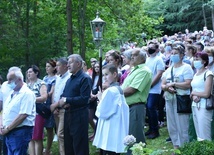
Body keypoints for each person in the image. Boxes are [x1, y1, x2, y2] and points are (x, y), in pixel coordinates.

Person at [57, 54, 92, 155]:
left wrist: (67, 100)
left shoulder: (85, 78)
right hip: (68, 115)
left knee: (79, 145)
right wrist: (63, 104)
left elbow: (85, 99)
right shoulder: (69, 80)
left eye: (70, 62)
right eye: (67, 62)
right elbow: (63, 96)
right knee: (69, 145)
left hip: (80, 116)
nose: (68, 65)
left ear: (78, 63)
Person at [161, 44, 194, 149]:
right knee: (172, 125)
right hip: (170, 99)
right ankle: (176, 147)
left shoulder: (186, 68)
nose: (173, 55)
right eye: (172, 53)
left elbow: (188, 84)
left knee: (183, 125)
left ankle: (185, 147)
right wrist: (167, 88)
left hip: (182, 100)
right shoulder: (169, 69)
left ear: (181, 55)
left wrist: (174, 84)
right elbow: (163, 84)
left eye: (176, 54)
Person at [93, 64, 129, 155]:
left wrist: (100, 99)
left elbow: (102, 112)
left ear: (114, 74)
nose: (104, 77)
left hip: (110, 128)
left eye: (106, 74)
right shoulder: (118, 89)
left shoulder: (111, 91)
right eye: (103, 75)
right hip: (115, 126)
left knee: (108, 150)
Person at [121, 48, 152, 150]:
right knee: (129, 136)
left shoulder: (144, 71)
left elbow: (131, 90)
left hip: (136, 107)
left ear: (142, 57)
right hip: (128, 106)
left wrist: (115, 94)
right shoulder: (134, 69)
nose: (132, 57)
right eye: (131, 55)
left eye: (135, 55)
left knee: (136, 138)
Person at [0, 68, 36, 154]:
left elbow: (23, 115)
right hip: (9, 131)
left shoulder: (27, 93)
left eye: (10, 80)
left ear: (19, 79)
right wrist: (1, 125)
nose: (8, 83)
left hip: (20, 131)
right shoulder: (12, 93)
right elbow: (5, 110)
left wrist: (8, 128)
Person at [190, 52, 213, 140]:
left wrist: (194, 93)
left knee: (205, 133)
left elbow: (207, 93)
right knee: (198, 133)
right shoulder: (195, 74)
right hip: (195, 105)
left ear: (204, 61)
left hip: (204, 106)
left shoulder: (208, 74)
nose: (195, 61)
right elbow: (193, 90)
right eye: (195, 59)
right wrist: (193, 96)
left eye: (197, 59)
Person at [50, 57, 71, 155]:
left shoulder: (70, 77)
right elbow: (55, 92)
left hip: (64, 108)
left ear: (65, 66)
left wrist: (57, 106)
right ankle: (62, 151)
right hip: (56, 109)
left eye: (58, 65)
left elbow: (66, 93)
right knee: (59, 135)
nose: (56, 68)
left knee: (61, 134)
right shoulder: (58, 77)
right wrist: (54, 106)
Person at [145, 42, 165, 139]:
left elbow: (159, 74)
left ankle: (155, 130)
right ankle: (150, 128)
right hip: (146, 88)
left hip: (155, 88)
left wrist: (151, 84)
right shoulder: (147, 59)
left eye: (152, 48)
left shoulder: (159, 60)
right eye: (149, 47)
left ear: (157, 49)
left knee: (151, 107)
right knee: (148, 109)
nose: (150, 49)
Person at [27, 65, 48, 155]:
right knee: (30, 137)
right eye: (28, 72)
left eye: (31, 72)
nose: (29, 74)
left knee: (37, 137)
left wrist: (31, 99)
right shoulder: (26, 85)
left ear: (36, 73)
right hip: (27, 113)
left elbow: (44, 97)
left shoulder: (41, 83)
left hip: (38, 113)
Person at [43, 59, 57, 155]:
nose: (46, 68)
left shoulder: (55, 78)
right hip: (43, 104)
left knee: (49, 127)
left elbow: (51, 92)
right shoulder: (44, 78)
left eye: (48, 66)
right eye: (46, 66)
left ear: (53, 68)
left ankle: (48, 149)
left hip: (50, 103)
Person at [88, 62, 101, 141]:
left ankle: (97, 133)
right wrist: (91, 94)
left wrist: (95, 96)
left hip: (98, 98)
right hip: (91, 97)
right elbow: (90, 87)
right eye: (95, 67)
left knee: (97, 117)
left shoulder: (102, 77)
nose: (96, 68)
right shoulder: (92, 77)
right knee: (89, 117)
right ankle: (95, 131)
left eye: (98, 67)